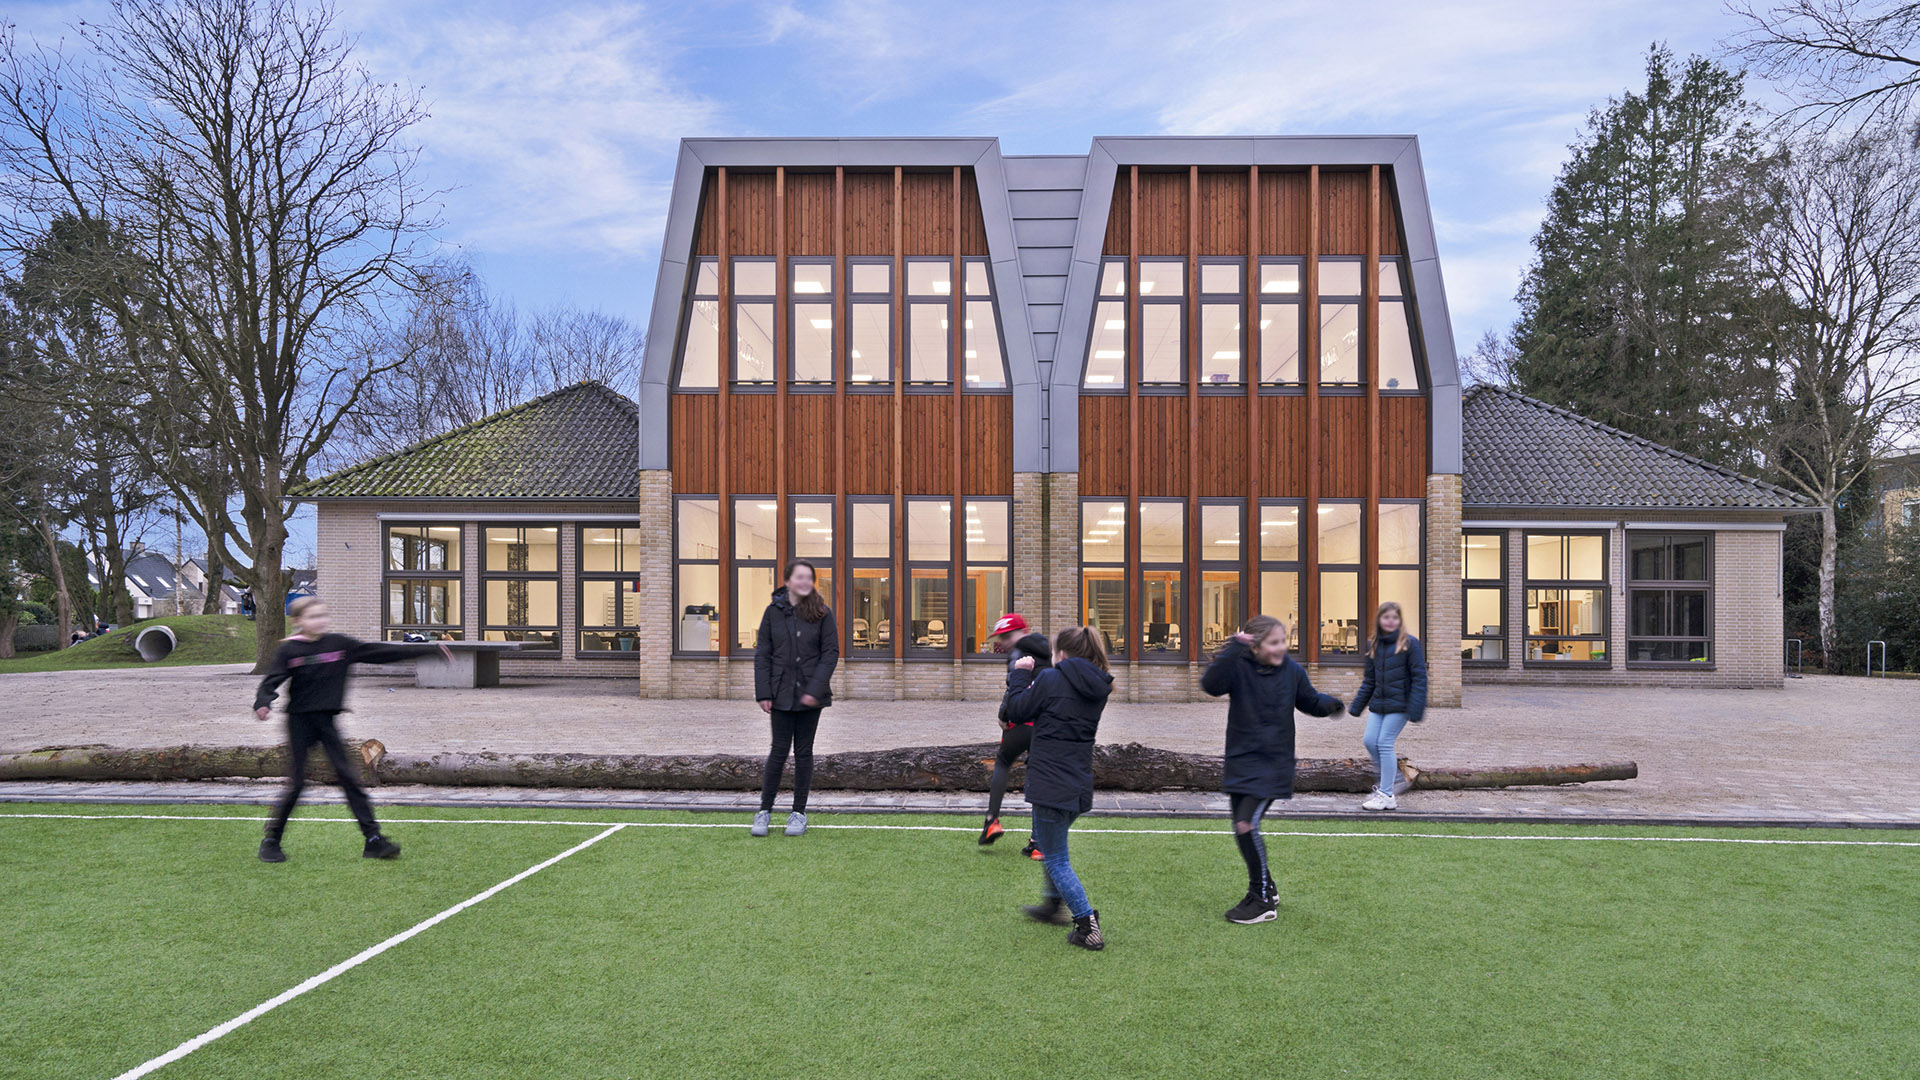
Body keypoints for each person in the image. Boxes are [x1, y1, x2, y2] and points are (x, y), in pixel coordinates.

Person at [251, 597, 450, 863]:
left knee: (349, 778)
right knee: (297, 783)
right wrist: (263, 702)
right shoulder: (289, 651)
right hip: (299, 722)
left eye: (322, 615)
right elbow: (271, 681)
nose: (319, 621)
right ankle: (271, 840)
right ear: (299, 621)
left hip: (327, 722)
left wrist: (429, 650)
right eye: (312, 617)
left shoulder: (340, 645)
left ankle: (374, 840)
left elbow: (380, 653)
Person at [1200, 614, 1345, 925]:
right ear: (1254, 647)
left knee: (1246, 825)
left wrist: (1331, 704)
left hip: (1274, 762)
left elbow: (1309, 701)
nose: (1282, 647)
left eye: (1283, 641)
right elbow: (1211, 685)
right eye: (1274, 642)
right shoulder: (1238, 667)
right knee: (1241, 827)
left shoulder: (1292, 670)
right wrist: (1232, 649)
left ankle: (1262, 898)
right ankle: (1268, 886)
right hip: (1242, 759)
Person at [1003, 626, 1113, 951]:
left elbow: (1016, 711)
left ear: (1061, 654)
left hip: (1050, 783)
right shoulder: (1098, 686)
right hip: (1076, 785)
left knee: (1056, 859)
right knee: (1054, 847)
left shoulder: (1051, 679)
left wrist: (1020, 675)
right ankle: (1053, 905)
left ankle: (1087, 926)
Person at [751, 559, 840, 838]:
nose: (804, 582)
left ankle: (798, 814)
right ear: (788, 581)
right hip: (779, 694)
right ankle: (764, 811)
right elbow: (762, 654)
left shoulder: (822, 613)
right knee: (778, 752)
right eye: (799, 577)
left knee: (803, 754)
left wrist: (814, 689)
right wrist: (763, 692)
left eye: (809, 578)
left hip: (810, 697)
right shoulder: (772, 612)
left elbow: (830, 654)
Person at [979, 612, 1052, 851]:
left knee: (1002, 762)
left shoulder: (1018, 654)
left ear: (1022, 632)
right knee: (1038, 776)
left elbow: (1013, 689)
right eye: (1001, 637)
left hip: (1021, 722)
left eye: (1008, 635)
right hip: (1044, 724)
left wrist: (1003, 715)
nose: (1005, 641)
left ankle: (992, 821)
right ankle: (1038, 842)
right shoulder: (1045, 649)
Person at [1347, 601, 1427, 811]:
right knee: (1370, 741)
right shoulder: (1373, 644)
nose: (1390, 621)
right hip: (1380, 703)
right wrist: (1357, 705)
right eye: (1386, 617)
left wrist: (1416, 707)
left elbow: (1420, 677)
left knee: (1384, 743)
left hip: (1401, 704)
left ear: (1399, 620)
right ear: (1379, 620)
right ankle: (1396, 779)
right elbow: (1369, 680)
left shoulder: (1410, 643)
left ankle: (1386, 794)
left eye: (1394, 617)